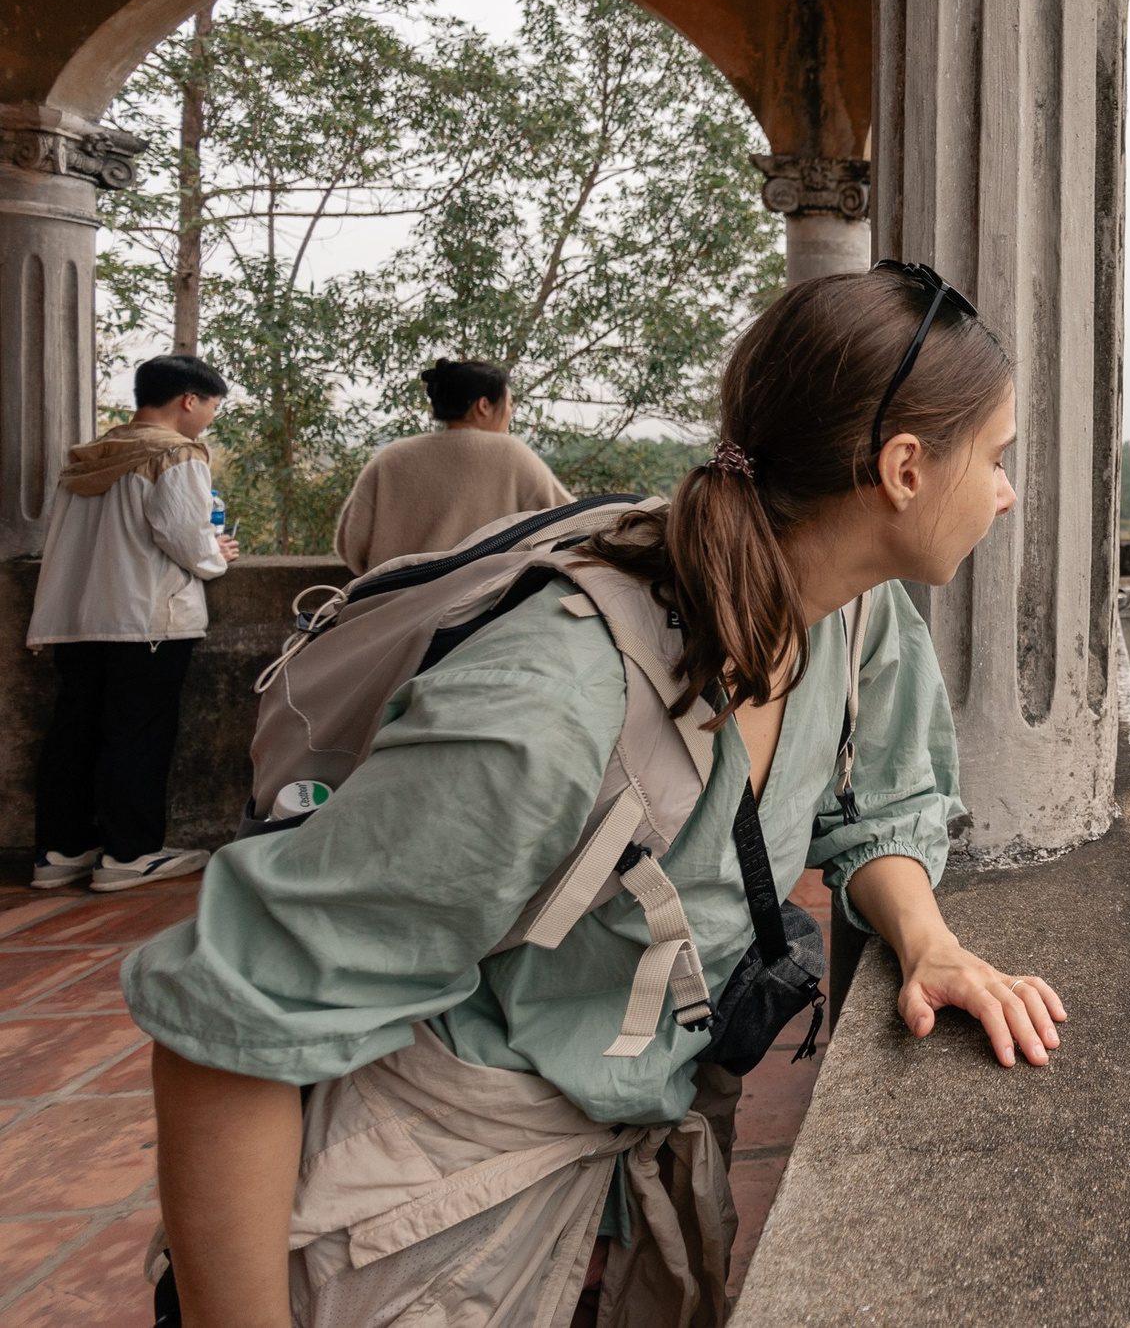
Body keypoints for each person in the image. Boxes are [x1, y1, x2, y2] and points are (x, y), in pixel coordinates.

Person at [129, 264, 1065, 1328]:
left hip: (620, 1175)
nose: (1004, 491)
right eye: (994, 459)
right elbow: (235, 1018)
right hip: (423, 1202)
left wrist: (927, 938)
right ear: (903, 469)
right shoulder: (553, 702)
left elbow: (874, 807)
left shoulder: (852, 620)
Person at [26, 353, 243, 893]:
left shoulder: (90, 455)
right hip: (147, 618)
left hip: (78, 616)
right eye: (212, 406)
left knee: (73, 734)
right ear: (188, 400)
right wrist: (217, 553)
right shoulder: (177, 454)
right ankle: (129, 853)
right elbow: (184, 537)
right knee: (137, 737)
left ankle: (61, 850)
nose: (210, 417)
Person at [332, 359, 574, 576]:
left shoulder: (390, 458)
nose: (511, 413)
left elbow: (351, 545)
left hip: (388, 613)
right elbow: (575, 524)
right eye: (509, 404)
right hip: (475, 615)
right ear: (484, 406)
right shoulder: (509, 453)